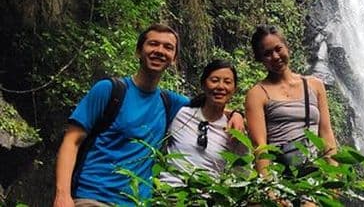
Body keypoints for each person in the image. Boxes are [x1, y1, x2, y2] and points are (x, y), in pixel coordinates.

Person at [53, 23, 244, 207]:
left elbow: (211, 105)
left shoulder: (170, 103)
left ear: (174, 58)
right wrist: (63, 195)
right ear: (138, 51)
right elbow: (72, 141)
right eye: (153, 43)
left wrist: (236, 114)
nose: (160, 50)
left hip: (139, 201)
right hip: (94, 198)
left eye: (168, 47)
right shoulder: (109, 90)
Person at [244, 24, 337, 177]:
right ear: (260, 59)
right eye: (267, 54)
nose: (275, 56)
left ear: (287, 48)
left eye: (278, 49)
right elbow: (260, 146)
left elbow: (326, 134)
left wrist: (335, 177)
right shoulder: (257, 94)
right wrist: (269, 188)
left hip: (313, 173)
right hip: (280, 175)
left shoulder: (315, 85)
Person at [159, 59, 245, 187]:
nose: (221, 86)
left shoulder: (235, 129)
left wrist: (237, 114)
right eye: (214, 80)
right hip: (169, 194)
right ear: (203, 84)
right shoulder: (180, 113)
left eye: (227, 82)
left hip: (206, 199)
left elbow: (240, 175)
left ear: (234, 89)